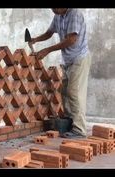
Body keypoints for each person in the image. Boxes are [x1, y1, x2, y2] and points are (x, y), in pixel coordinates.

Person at [29, 8, 91, 138]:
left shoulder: (74, 14)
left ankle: (79, 130)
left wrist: (47, 50)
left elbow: (71, 40)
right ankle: (70, 123)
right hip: (67, 60)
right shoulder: (58, 16)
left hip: (79, 58)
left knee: (74, 92)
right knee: (64, 92)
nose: (52, 9)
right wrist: (36, 39)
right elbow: (49, 32)